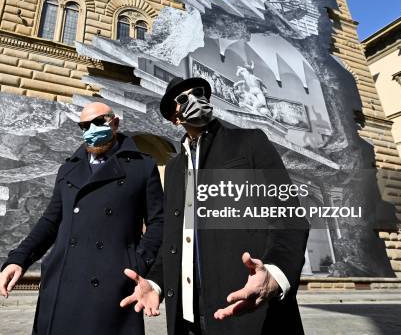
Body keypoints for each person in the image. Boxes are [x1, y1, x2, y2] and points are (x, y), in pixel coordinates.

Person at [121, 77, 309, 335]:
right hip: (188, 317)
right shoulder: (175, 169)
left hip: (248, 309)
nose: (195, 100)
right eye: (184, 99)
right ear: (174, 118)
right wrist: (156, 282)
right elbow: (173, 238)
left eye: (198, 93)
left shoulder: (249, 142)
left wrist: (276, 273)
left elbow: (288, 212)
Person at [0, 102, 164, 335]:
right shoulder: (68, 169)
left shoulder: (142, 166)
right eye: (85, 125)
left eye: (98, 122)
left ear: (115, 123)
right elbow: (50, 221)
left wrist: (138, 262)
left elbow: (158, 222)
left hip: (114, 283)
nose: (91, 129)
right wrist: (19, 259)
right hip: (62, 281)